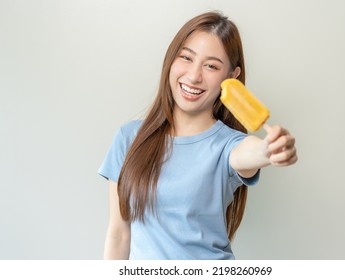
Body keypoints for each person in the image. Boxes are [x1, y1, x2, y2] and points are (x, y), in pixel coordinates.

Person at [98, 11, 297, 260]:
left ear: (231, 77)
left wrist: (270, 150)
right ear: (171, 60)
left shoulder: (228, 145)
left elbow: (251, 152)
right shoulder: (129, 139)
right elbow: (119, 234)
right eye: (186, 58)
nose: (194, 76)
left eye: (211, 66)